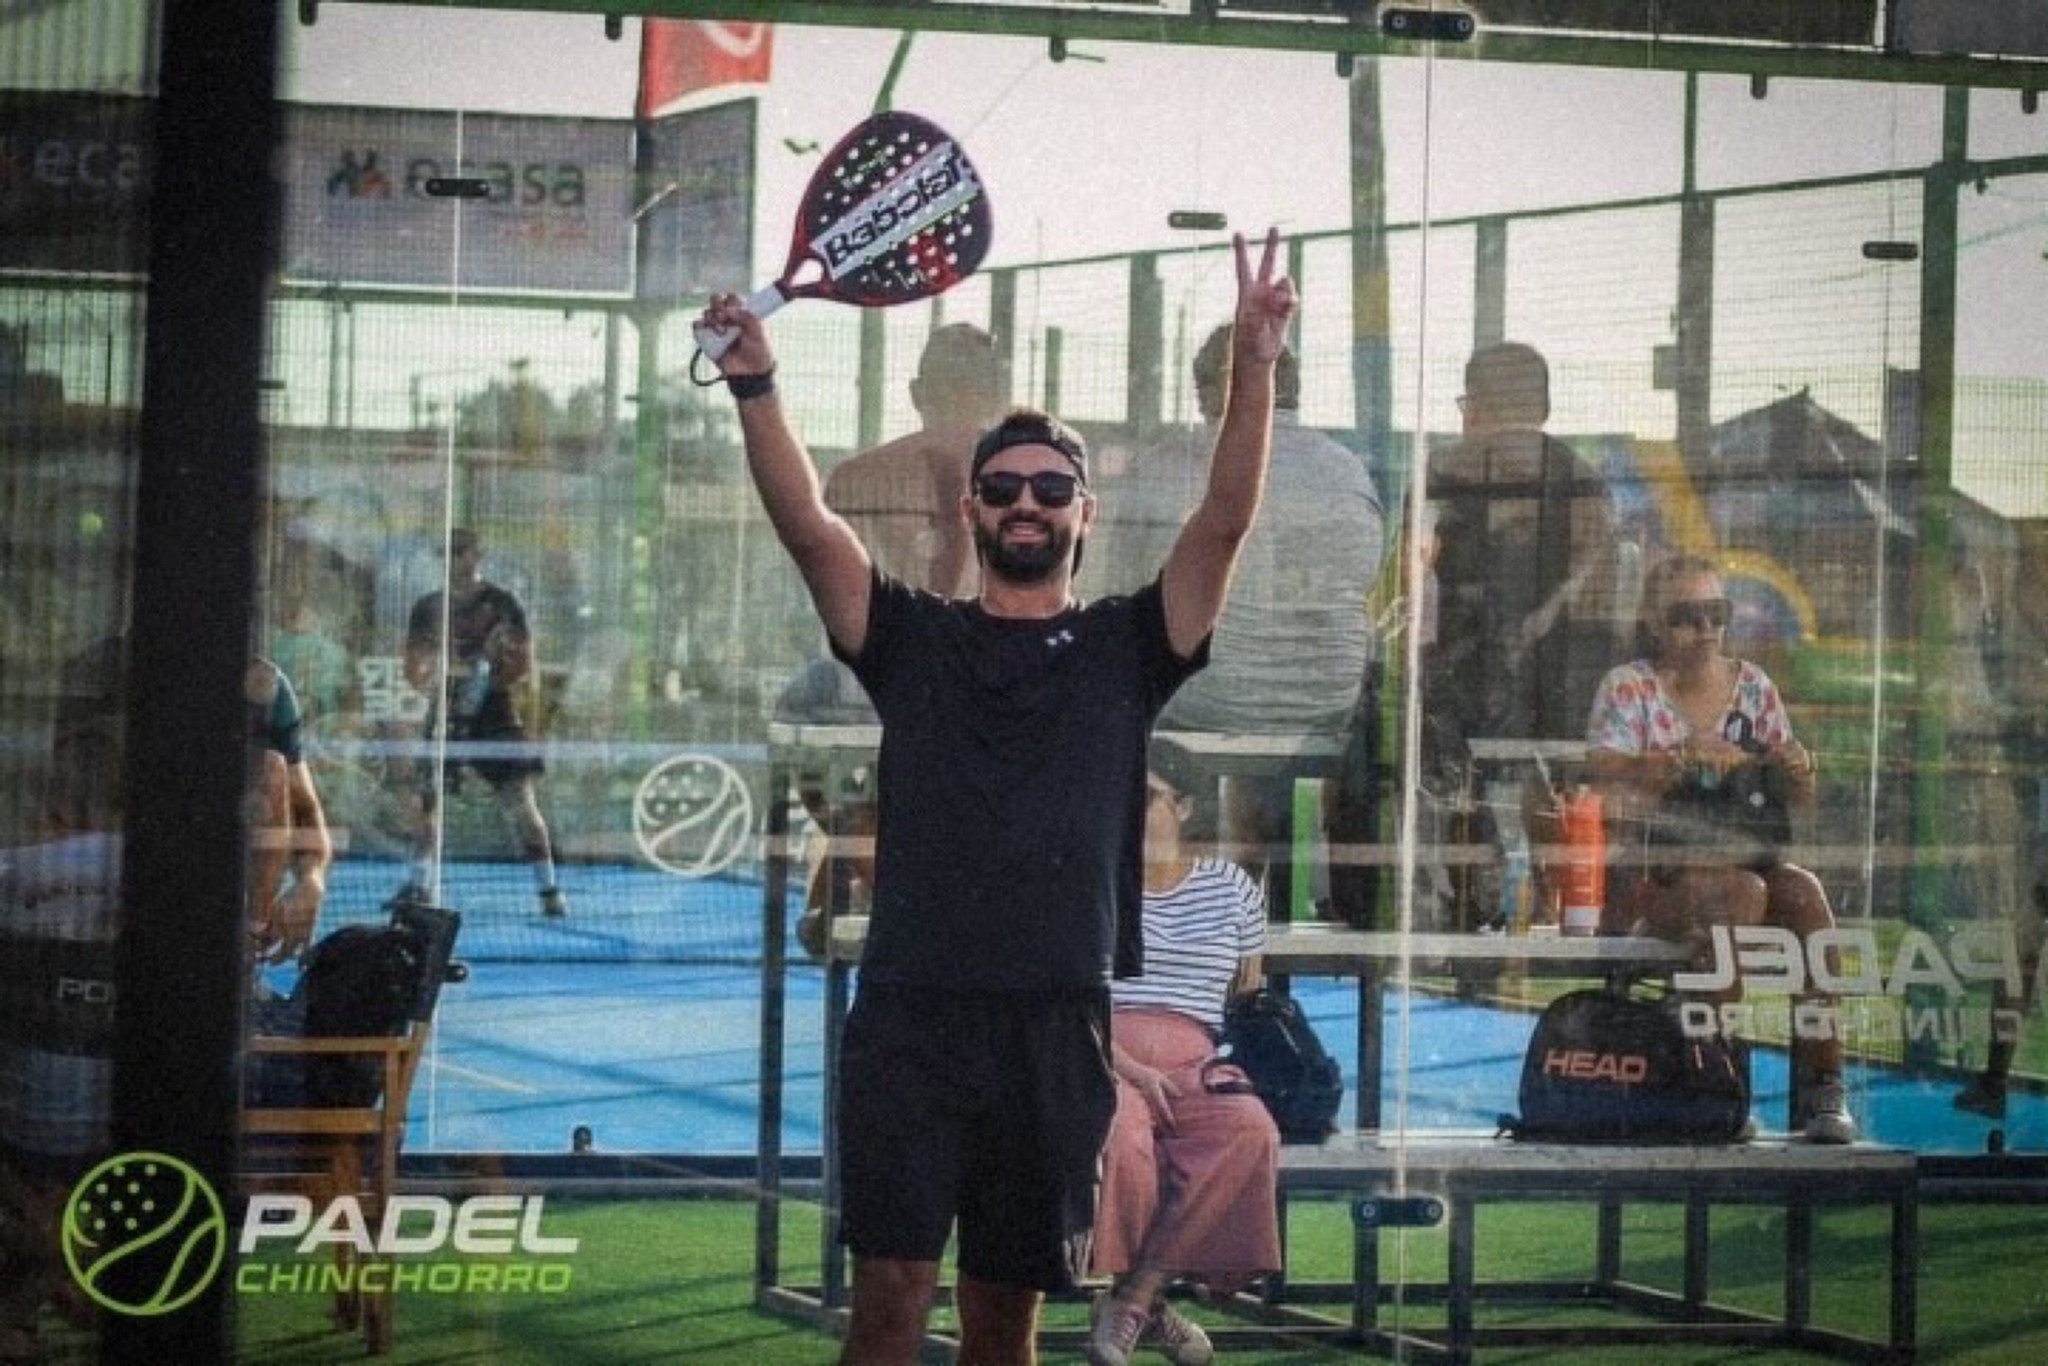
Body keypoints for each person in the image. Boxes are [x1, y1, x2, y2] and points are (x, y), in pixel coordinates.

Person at [697, 227, 1295, 1366]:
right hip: (910, 1018)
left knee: (1002, 1318)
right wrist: (756, 386)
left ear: (1082, 513)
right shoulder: (910, 637)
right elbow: (808, 526)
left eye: (1050, 487)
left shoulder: (1130, 645)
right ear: (969, 510)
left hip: (1055, 1026)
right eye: (1004, 487)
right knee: (888, 1301)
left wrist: (1252, 368)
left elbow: (1222, 522)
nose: (1027, 502)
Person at [1586, 553, 1856, 1143]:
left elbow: (1799, 801)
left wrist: (1797, 769)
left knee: (1805, 896)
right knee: (1741, 893)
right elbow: (1602, 776)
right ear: (1654, 622)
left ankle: (1824, 1086)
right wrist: (1673, 762)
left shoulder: (1754, 686)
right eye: (1687, 616)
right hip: (1655, 872)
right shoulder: (1629, 687)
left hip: (1742, 854)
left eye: (1717, 613)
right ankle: (1718, 1078)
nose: (1706, 629)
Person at [787, 324, 1007, 954]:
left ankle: (860, 871)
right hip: (989, 687)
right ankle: (868, 875)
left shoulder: (856, 479)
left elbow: (836, 607)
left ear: (915, 392)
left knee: (812, 710)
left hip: (883, 691)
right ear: (996, 394)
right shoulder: (1032, 484)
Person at [1160, 323, 1385, 923]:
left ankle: (1192, 906)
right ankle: (1248, 899)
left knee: (1143, 700)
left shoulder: (1188, 463)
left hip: (1216, 699)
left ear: (1216, 391)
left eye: (1202, 392)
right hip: (1329, 700)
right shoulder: (1347, 471)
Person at [1421, 341, 1627, 929]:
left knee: (1457, 788)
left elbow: (1415, 583)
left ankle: (1473, 903)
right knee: (1549, 793)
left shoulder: (1447, 472)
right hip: (1563, 692)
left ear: (1477, 405)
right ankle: (1551, 909)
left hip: (1463, 690)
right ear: (1545, 405)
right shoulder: (1584, 482)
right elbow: (1603, 601)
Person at [1088, 740, 1277, 1366]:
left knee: (1249, 1131)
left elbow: (1246, 989)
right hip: (1102, 1053)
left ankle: (1134, 1300)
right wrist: (1135, 1070)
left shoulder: (1231, 887)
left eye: (1145, 797)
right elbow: (1071, 995)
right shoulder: (1093, 881)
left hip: (1194, 1058)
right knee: (1123, 1136)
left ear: (1186, 807)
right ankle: (1143, 1307)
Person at [397, 527, 567, 918]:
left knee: (521, 803)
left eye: (461, 551)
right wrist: (441, 687)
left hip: (496, 714)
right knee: (427, 804)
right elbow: (413, 664)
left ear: (477, 555)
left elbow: (523, 661)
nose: (454, 559)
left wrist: (486, 684)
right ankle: (420, 885)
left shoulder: (503, 604)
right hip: (446, 712)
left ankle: (549, 889)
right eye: (448, 553)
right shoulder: (429, 607)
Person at [246, 657, 333, 964]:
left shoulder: (269, 686)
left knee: (271, 767)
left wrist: (312, 879)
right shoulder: (116, 667)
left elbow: (305, 808)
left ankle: (252, 939)